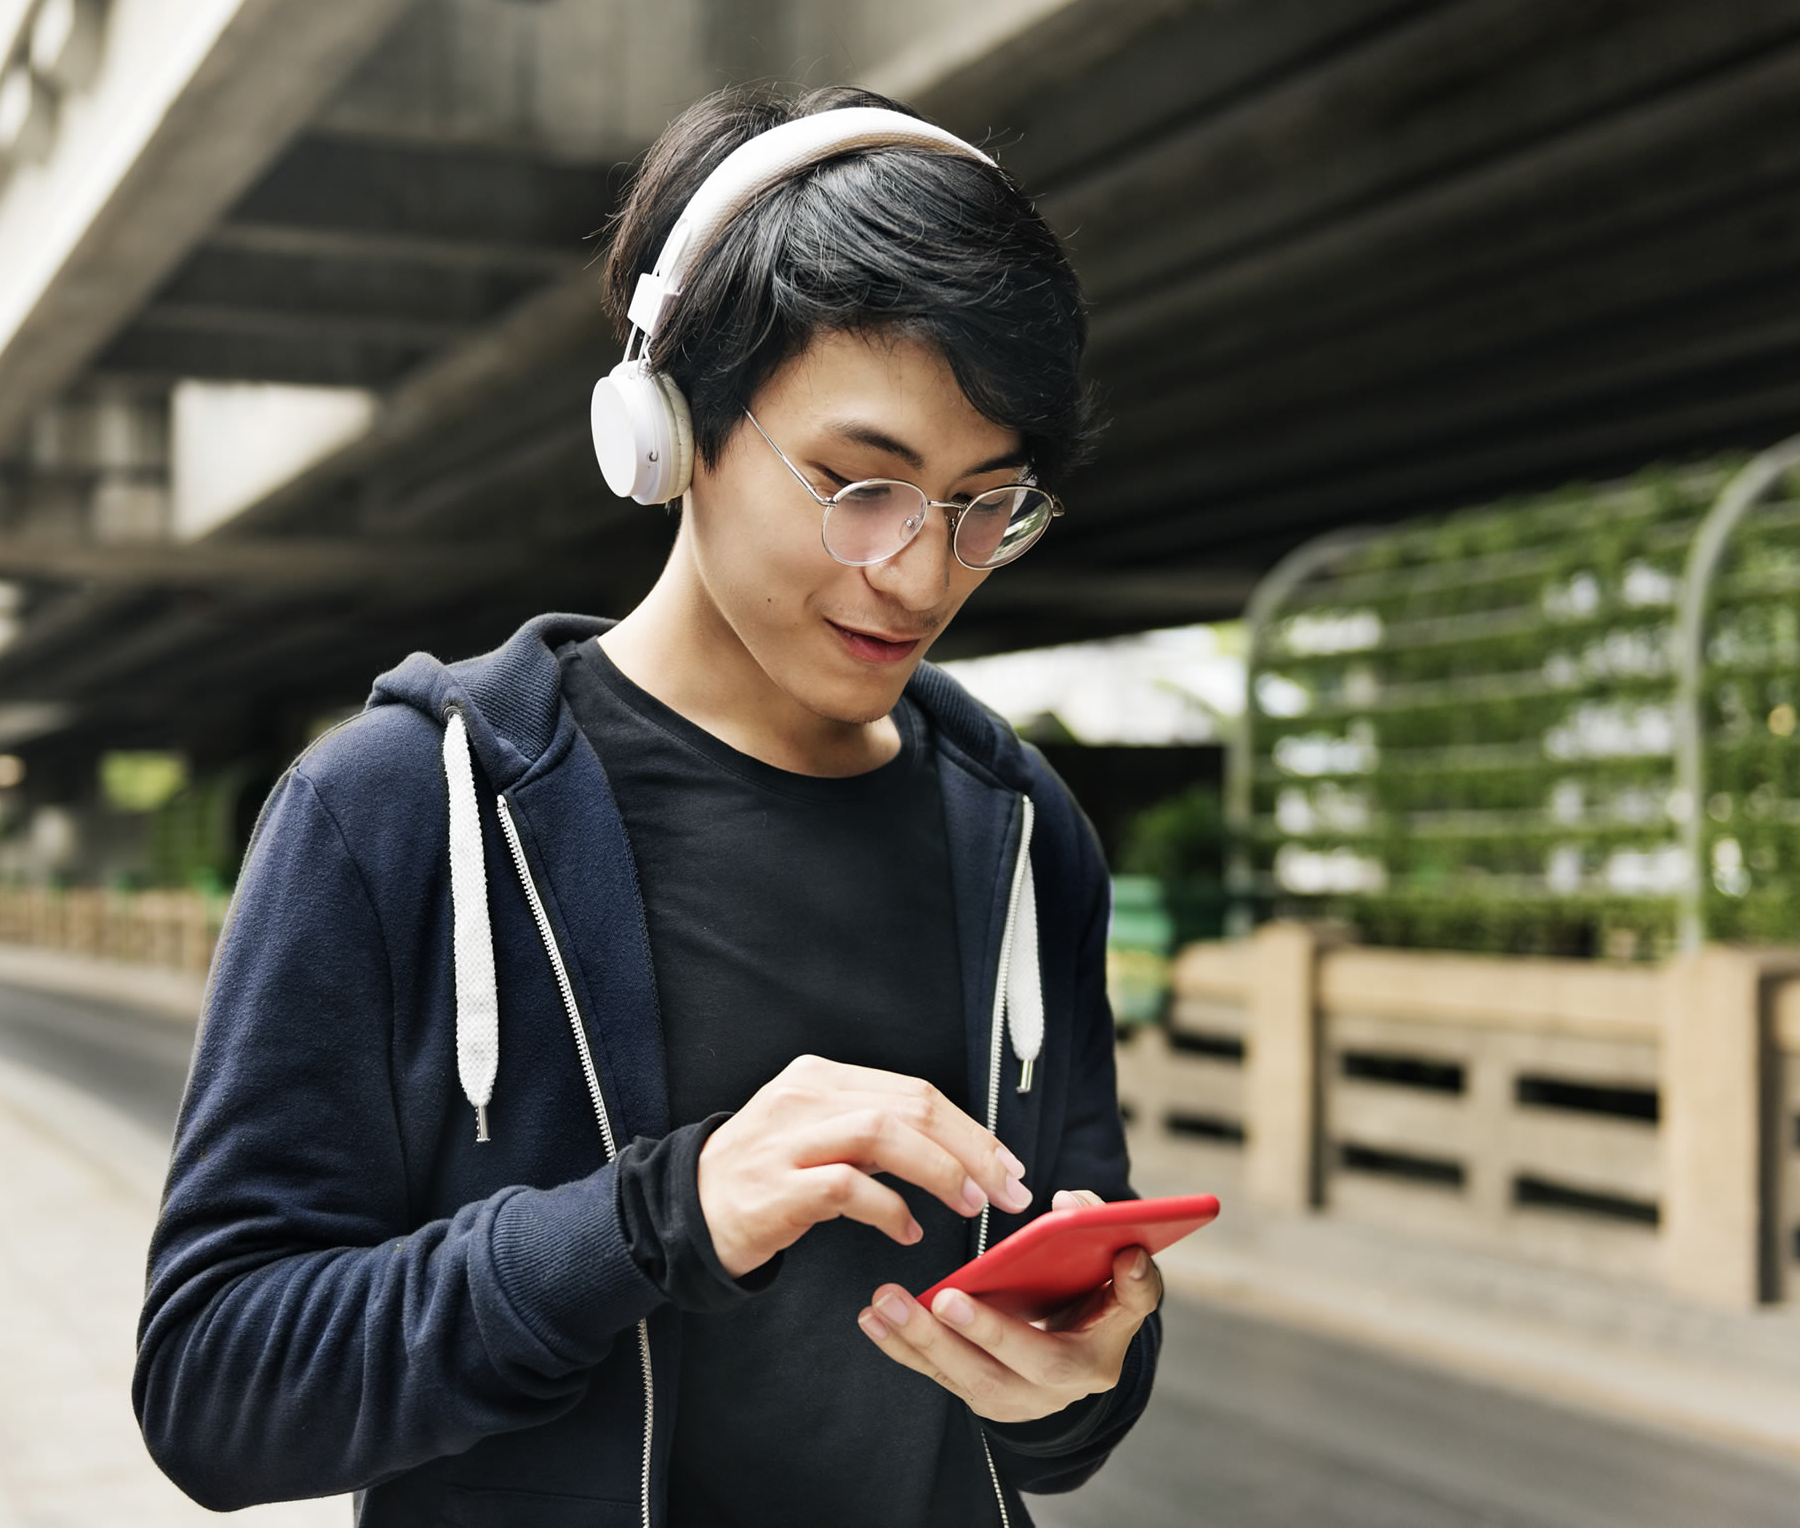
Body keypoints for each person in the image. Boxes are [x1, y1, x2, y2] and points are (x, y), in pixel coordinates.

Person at [135, 84, 1162, 1528]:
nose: (924, 573)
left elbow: (1064, 1395)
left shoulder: (1022, 830)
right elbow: (213, 1390)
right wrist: (656, 1218)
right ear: (668, 429)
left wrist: (1080, 1376)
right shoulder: (399, 811)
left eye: (984, 503)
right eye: (859, 485)